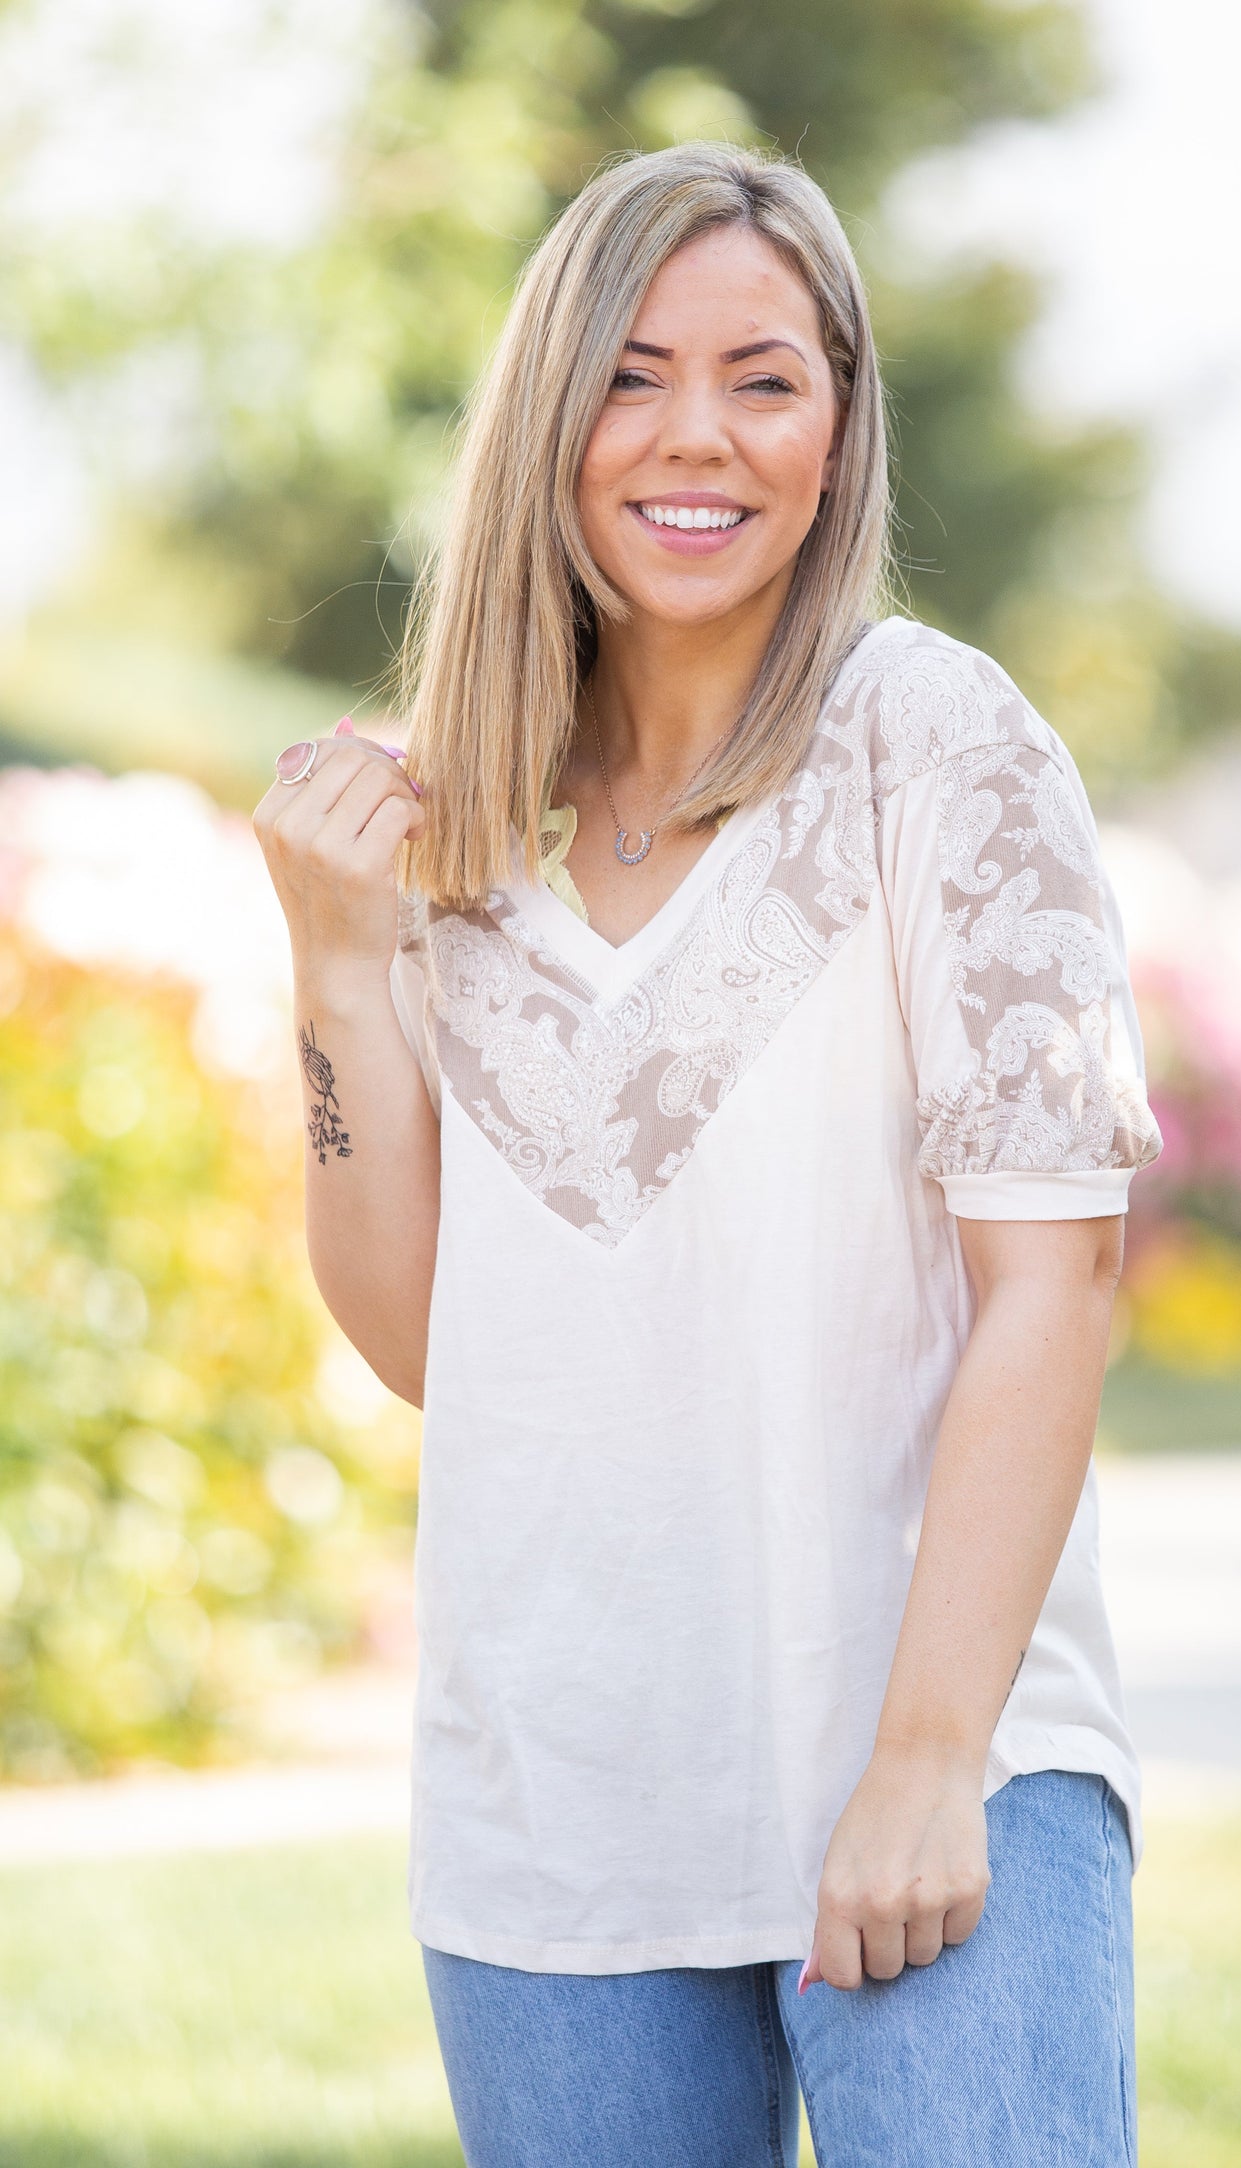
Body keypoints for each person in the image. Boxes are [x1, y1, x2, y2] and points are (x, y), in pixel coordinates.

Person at [253, 140, 1162, 2168]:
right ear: (548, 411)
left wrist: (927, 1760)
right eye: (636, 373)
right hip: (555, 1831)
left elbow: (1056, 1284)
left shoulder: (944, 746)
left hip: (947, 1777)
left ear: (840, 426)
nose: (698, 437)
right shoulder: (446, 831)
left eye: (765, 377)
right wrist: (337, 968)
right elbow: (424, 1340)